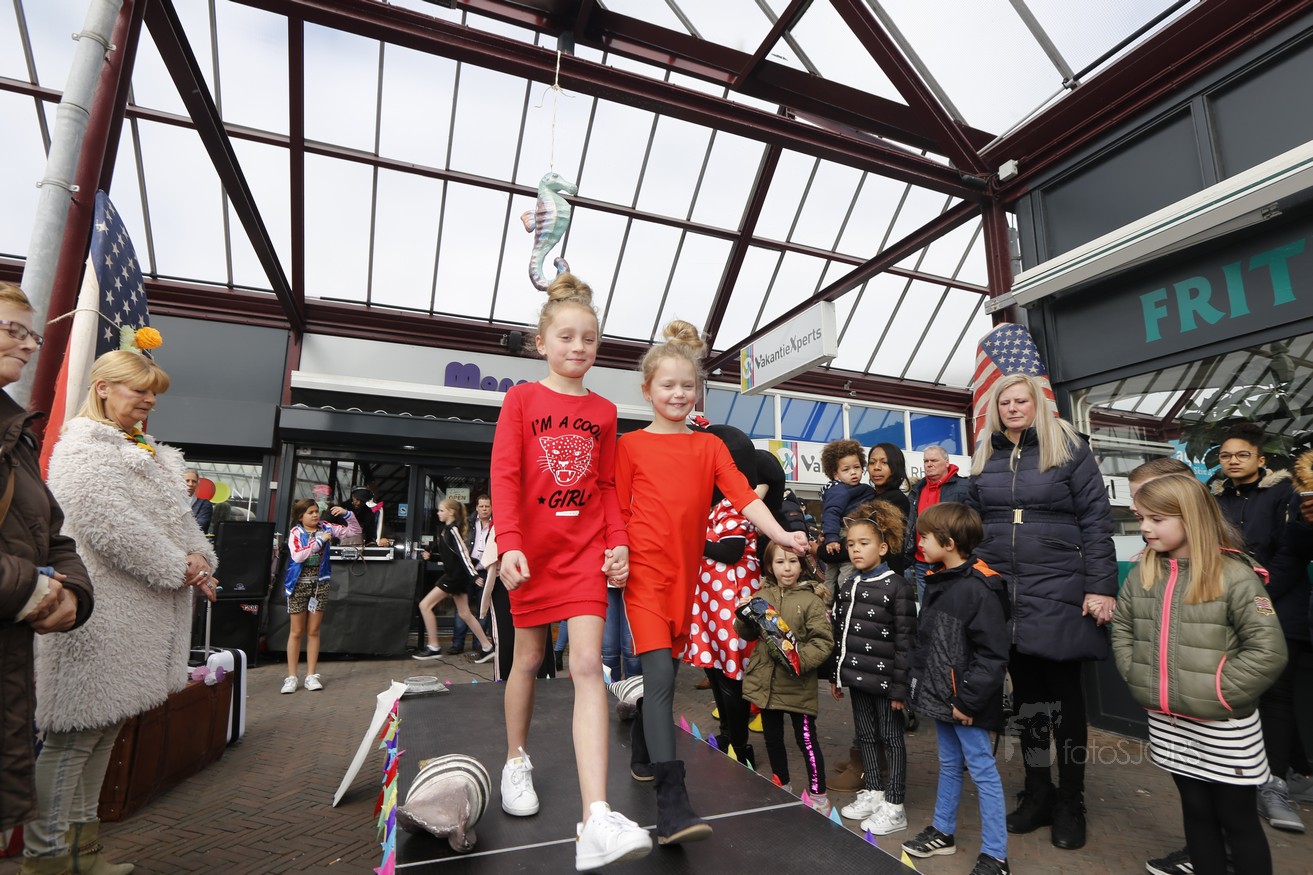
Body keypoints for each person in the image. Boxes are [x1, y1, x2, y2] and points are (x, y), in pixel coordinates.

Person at [616, 319, 808, 846]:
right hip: (645, 579)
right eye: (667, 385)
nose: (678, 393)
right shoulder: (629, 446)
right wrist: (615, 553)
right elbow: (616, 510)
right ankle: (672, 803)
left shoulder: (709, 448)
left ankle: (642, 747)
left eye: (687, 385)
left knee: (663, 678)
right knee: (660, 676)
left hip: (690, 581)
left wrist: (782, 534)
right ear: (648, 390)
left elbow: (745, 498)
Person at [489, 272, 652, 872]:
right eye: (566, 337)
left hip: (584, 554)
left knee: (587, 665)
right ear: (542, 343)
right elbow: (505, 475)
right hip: (531, 555)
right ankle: (515, 759)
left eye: (589, 338)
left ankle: (595, 817)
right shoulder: (521, 401)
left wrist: (619, 542)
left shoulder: (605, 411)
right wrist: (508, 543)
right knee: (528, 659)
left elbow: (606, 486)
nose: (578, 347)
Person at [35, 349, 218, 875]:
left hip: (135, 617)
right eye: (139, 390)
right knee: (73, 740)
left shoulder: (147, 451)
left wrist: (199, 558)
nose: (150, 400)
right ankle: (45, 860)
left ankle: (82, 855)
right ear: (102, 388)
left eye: (153, 392)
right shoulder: (84, 448)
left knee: (102, 734)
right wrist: (181, 567)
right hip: (99, 615)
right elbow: (110, 526)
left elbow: (181, 524)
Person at [967, 373, 1116, 850]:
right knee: (1027, 699)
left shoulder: (1069, 447)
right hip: (1003, 589)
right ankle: (1038, 793)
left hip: (1059, 586)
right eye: (1004, 402)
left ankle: (1071, 800)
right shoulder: (985, 455)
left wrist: (1101, 586)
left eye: (1021, 400)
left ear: (1038, 404)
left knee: (1065, 699)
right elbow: (969, 522)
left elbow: (1096, 520)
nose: (1012, 408)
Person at [1112, 474, 1288, 875]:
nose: (1145, 527)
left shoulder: (1235, 575)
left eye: (1157, 519)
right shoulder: (1143, 572)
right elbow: (1123, 628)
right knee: (1195, 811)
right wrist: (1138, 673)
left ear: (1190, 517)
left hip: (1224, 726)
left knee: (1237, 819)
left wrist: (1218, 693)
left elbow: (1268, 650)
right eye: (1141, 518)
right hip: (1168, 721)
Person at [0, 282, 93, 849]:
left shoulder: (19, 434)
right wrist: (31, 591)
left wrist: (74, 593)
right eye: (13, 329)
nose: (30, 344)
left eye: (31, 333)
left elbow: (53, 535)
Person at [903, 503, 1011, 875]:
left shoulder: (981, 587)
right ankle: (943, 831)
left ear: (948, 543)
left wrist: (967, 700)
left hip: (965, 702)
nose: (919, 542)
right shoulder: (940, 578)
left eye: (925, 537)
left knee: (982, 771)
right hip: (943, 698)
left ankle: (996, 855)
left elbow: (992, 654)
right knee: (949, 764)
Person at [1210, 423, 1307, 832]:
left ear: (1260, 459)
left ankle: (1274, 786)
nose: (1233, 461)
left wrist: (1258, 594)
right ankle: (1292, 771)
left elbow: (1293, 552)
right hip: (1233, 608)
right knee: (1250, 694)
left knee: (1276, 696)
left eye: (1242, 455)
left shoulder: (1285, 494)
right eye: (1226, 456)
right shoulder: (1216, 498)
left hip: (1281, 607)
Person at [831, 500, 916, 837]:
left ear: (882, 548)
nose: (855, 549)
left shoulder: (898, 587)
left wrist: (900, 689)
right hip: (857, 677)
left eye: (863, 543)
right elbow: (841, 633)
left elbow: (906, 642)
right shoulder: (849, 584)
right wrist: (837, 675)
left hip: (887, 683)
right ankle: (875, 792)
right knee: (866, 736)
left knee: (892, 739)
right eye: (851, 544)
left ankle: (895, 804)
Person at [685, 423, 764, 769]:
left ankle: (740, 745)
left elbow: (731, 552)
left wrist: (689, 537)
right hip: (711, 600)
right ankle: (728, 735)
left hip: (731, 601)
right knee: (717, 670)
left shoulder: (734, 505)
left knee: (731, 673)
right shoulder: (714, 506)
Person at [735, 541, 834, 809]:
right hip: (767, 685)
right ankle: (782, 784)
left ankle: (819, 796)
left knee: (806, 741)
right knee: (772, 739)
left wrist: (799, 661)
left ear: (802, 566)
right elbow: (747, 634)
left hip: (798, 685)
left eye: (792, 562)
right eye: (780, 562)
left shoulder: (811, 600)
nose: (787, 568)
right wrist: (744, 615)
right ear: (770, 566)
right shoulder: (761, 596)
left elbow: (823, 641)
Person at [280, 497, 361, 692]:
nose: (315, 515)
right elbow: (298, 556)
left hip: (319, 584)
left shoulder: (326, 527)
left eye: (316, 511)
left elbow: (355, 531)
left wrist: (347, 514)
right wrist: (320, 540)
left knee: (314, 630)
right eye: (310, 512)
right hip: (298, 585)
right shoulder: (296, 532)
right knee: (296, 631)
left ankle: (311, 675)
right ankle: (291, 677)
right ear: (301, 516)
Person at [414, 498, 495, 663]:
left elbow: (464, 554)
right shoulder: (445, 530)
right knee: (465, 613)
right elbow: (448, 555)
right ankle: (487, 647)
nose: (438, 513)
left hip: (454, 577)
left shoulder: (453, 530)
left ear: (451, 512)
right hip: (456, 576)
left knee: (424, 605)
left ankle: (434, 646)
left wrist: (474, 575)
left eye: (441, 510)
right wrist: (431, 555)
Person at [903, 445, 970, 602]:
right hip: (921, 562)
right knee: (926, 609)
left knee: (951, 606)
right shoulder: (917, 490)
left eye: (934, 460)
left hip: (949, 562)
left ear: (946, 462)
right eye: (926, 461)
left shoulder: (964, 487)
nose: (929, 464)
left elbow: (970, 523)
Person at [818, 439, 877, 594]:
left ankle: (827, 601)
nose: (853, 472)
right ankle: (845, 596)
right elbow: (831, 512)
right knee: (846, 571)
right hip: (844, 533)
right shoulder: (840, 490)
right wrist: (831, 537)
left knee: (831, 575)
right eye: (846, 469)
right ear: (836, 475)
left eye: (857, 467)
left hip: (841, 533)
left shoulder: (859, 489)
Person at [449, 494, 494, 655]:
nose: (484, 509)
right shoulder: (467, 523)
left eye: (487, 506)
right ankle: (457, 644)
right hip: (467, 570)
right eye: (481, 506)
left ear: (492, 508)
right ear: (476, 507)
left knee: (483, 609)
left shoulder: (496, 525)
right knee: (462, 609)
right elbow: (455, 541)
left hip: (486, 571)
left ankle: (479, 643)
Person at [184, 467, 212, 535]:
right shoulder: (171, 501)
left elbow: (200, 526)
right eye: (187, 481)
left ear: (197, 484)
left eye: (194, 481)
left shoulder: (204, 504)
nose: (190, 484)